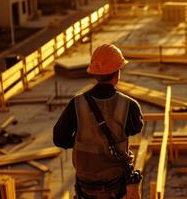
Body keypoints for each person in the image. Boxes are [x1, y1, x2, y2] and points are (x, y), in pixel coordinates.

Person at [53, 44, 144, 199]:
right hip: (116, 186)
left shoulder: (76, 104)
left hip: (86, 187)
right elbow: (135, 129)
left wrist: (84, 137)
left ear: (95, 74)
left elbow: (60, 139)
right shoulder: (129, 106)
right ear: (117, 74)